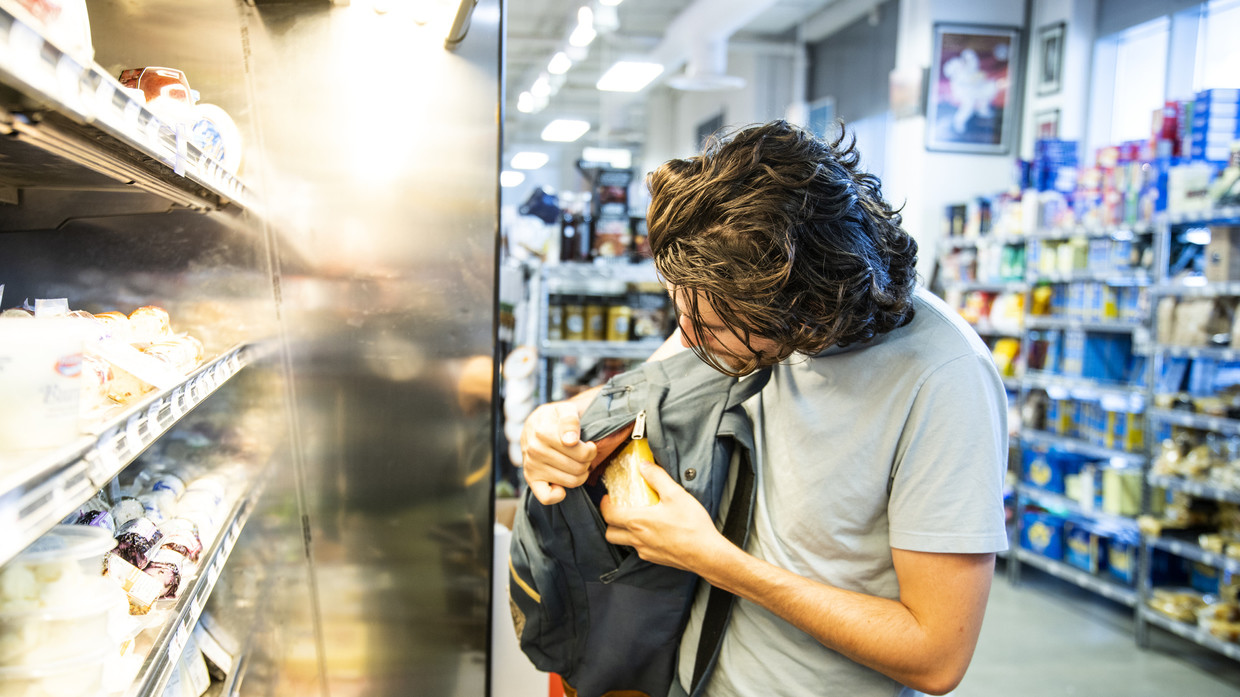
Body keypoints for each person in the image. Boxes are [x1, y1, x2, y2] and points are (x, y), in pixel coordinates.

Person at [519, 120, 1008, 697]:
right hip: (690, 677)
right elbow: (640, 391)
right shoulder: (737, 304)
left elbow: (936, 656)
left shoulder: (944, 380)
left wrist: (712, 558)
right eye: (681, 310)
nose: (689, 338)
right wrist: (549, 426)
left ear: (808, 310)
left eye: (714, 326)